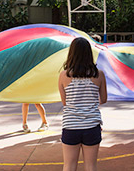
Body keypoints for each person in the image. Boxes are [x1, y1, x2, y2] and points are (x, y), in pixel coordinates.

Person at [58, 37, 108, 171]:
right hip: (92, 125)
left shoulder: (64, 75)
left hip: (70, 125)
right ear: (89, 53)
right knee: (91, 166)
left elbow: (65, 102)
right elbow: (103, 99)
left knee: (69, 165)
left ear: (71, 53)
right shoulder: (99, 74)